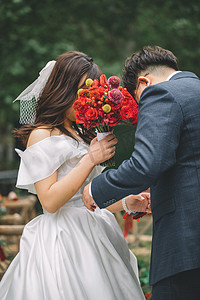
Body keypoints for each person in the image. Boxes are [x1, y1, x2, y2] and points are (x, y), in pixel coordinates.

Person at [0, 51, 149, 300]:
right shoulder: (42, 134)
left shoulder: (82, 133)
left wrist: (125, 202)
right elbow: (50, 201)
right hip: (64, 240)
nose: (88, 98)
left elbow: (86, 197)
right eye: (83, 90)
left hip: (98, 232)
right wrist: (91, 159)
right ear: (63, 88)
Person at [82, 46, 200, 299]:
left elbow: (147, 164)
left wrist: (96, 188)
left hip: (187, 243)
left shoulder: (161, 93)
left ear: (143, 81)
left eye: (138, 98)